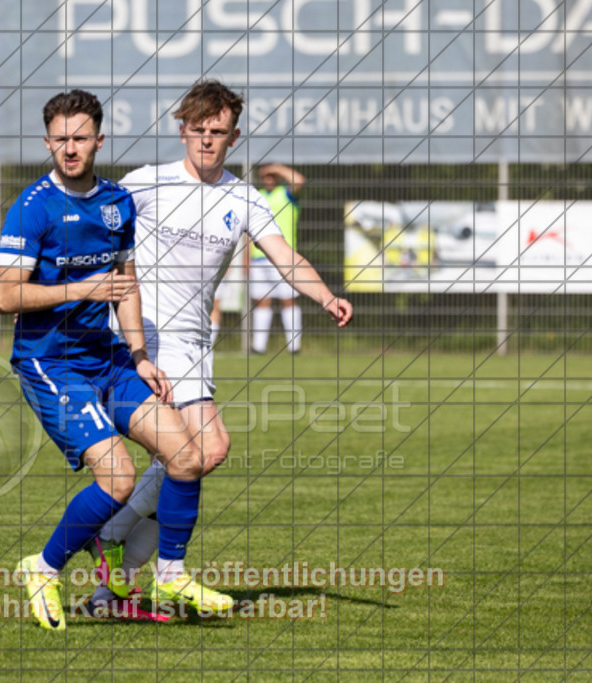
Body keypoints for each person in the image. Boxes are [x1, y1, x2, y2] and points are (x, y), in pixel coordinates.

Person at [88, 80, 352, 602]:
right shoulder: (146, 183)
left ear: (234, 137)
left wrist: (325, 297)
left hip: (192, 343)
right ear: (182, 129)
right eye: (199, 130)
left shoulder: (244, 198)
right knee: (200, 449)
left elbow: (286, 258)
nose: (207, 140)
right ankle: (143, 563)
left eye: (219, 132)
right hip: (138, 339)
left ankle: (114, 563)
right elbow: (91, 228)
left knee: (197, 454)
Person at [0, 90, 233, 631]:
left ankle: (170, 574)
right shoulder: (33, 208)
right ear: (48, 141)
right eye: (60, 138)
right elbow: (6, 296)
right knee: (119, 480)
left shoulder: (116, 203)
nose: (69, 148)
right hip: (49, 364)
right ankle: (44, 568)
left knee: (188, 456)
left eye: (79, 138)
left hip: (107, 359)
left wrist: (142, 355)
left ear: (99, 141)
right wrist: (80, 288)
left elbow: (125, 287)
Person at [250, 163, 306, 354]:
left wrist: (275, 168)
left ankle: (294, 346)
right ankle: (258, 347)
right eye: (265, 176)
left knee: (288, 299)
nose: (268, 179)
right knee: (261, 300)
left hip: (283, 256)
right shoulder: (257, 196)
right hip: (259, 258)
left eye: (272, 176)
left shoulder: (286, 194)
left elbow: (299, 180)